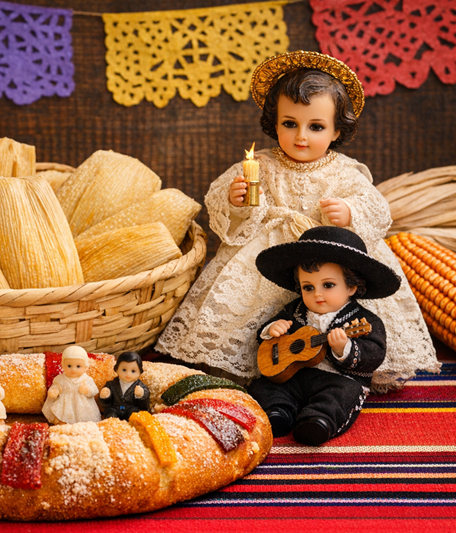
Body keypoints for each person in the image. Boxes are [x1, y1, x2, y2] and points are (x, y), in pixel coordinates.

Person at [156, 50, 438, 392]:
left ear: (337, 130)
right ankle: (260, 362)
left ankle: (339, 366)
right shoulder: (262, 164)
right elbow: (230, 217)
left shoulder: (345, 171)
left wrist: (350, 211)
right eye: (290, 124)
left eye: (315, 126)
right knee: (260, 318)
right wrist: (239, 201)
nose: (301, 136)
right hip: (269, 254)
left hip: (330, 257)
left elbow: (376, 208)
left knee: (336, 312)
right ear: (274, 123)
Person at [249, 226, 400, 445]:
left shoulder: (363, 321)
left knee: (344, 393)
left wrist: (344, 348)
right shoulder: (296, 310)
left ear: (352, 287)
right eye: (308, 287)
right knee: (263, 385)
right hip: (294, 376)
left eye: (328, 285)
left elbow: (374, 353)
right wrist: (274, 329)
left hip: (336, 378)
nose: (317, 294)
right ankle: (278, 412)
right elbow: (268, 338)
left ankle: (318, 421)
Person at [42, 346, 101, 424]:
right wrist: (54, 390)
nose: (73, 369)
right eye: (69, 366)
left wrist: (87, 390)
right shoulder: (60, 378)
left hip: (82, 405)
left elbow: (95, 390)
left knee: (85, 419)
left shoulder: (87, 379)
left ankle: (82, 424)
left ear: (85, 367)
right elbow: (56, 386)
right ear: (63, 365)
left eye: (78, 366)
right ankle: (62, 422)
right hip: (65, 404)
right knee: (60, 416)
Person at [99, 351, 150, 420]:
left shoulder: (141, 386)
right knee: (110, 416)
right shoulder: (110, 385)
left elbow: (145, 405)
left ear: (140, 372)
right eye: (124, 370)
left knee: (135, 417)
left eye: (133, 371)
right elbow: (105, 404)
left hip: (132, 409)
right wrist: (104, 397)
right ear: (116, 369)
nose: (128, 374)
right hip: (114, 409)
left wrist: (142, 394)